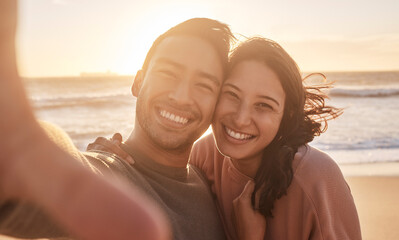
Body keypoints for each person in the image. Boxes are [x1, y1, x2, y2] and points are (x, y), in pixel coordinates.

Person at [0, 2, 235, 239]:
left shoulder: (209, 184)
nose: (181, 97)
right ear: (138, 82)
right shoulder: (107, 179)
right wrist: (22, 150)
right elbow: (55, 177)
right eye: (168, 73)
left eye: (204, 85)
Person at [93, 38, 362, 239]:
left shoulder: (315, 179)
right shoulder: (204, 157)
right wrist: (108, 158)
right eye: (231, 95)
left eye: (264, 105)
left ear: (286, 114)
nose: (241, 118)